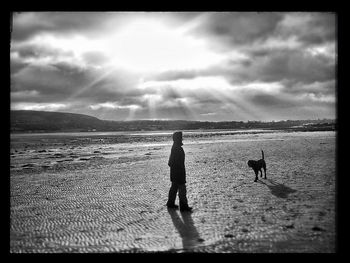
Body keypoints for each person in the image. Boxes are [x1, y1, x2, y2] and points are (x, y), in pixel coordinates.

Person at [166, 131, 192, 212]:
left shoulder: (175, 147)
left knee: (174, 188)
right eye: (181, 137)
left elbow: (170, 162)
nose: (182, 139)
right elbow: (174, 162)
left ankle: (170, 203)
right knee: (182, 189)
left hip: (175, 172)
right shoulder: (177, 148)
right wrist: (179, 172)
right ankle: (183, 207)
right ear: (178, 139)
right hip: (178, 173)